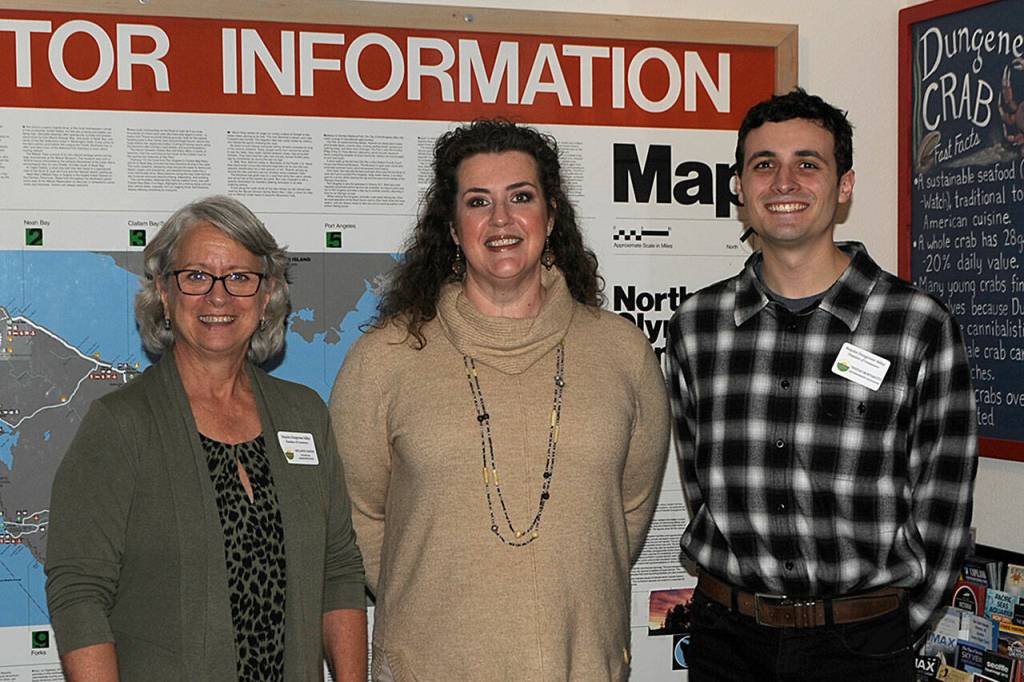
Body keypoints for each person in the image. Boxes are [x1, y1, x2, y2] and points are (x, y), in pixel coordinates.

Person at [330, 119, 670, 680]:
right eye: (478, 201)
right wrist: (435, 592)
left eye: (521, 197)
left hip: (581, 664)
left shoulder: (623, 353)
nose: (501, 220)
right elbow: (357, 515)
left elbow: (627, 512)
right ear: (452, 226)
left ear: (551, 215)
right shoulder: (384, 359)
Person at [666, 88, 978, 681]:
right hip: (726, 642)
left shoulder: (916, 324)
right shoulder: (696, 326)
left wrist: (894, 626)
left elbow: (944, 502)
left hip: (862, 647)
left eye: (807, 163)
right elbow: (699, 483)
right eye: (764, 165)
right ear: (739, 188)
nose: (784, 182)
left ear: (845, 186)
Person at [45, 196, 367, 681]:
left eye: (239, 277)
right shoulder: (120, 425)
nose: (219, 297)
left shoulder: (304, 414)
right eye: (196, 276)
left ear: (267, 294)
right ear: (164, 292)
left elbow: (338, 569)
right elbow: (79, 592)